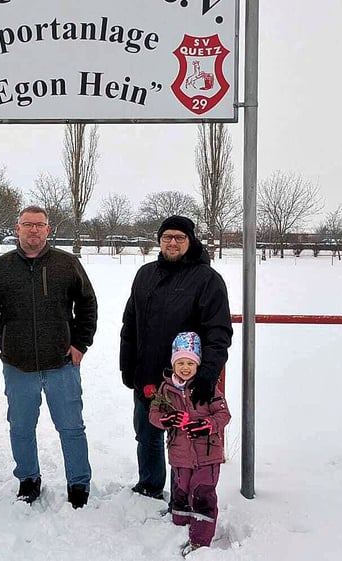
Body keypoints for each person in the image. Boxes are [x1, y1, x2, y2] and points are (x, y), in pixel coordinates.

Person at [0, 205, 98, 509]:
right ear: (17, 229)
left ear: (48, 230)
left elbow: (87, 304)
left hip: (62, 364)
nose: (33, 230)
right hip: (19, 364)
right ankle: (28, 479)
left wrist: (80, 343)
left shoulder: (67, 264)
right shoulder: (0, 268)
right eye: (27, 224)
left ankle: (78, 483)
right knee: (21, 427)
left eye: (39, 225)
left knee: (71, 427)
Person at [120, 214, 232, 500]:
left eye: (179, 237)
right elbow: (129, 323)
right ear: (159, 240)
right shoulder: (145, 275)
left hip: (185, 380)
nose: (172, 242)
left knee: (183, 438)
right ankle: (150, 484)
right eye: (167, 236)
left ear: (190, 241)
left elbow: (218, 333)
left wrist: (207, 376)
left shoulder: (207, 280)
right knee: (147, 434)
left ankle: (183, 493)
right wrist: (127, 364)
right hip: (147, 374)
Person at [148, 332, 231, 557]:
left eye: (190, 363)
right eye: (181, 362)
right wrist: (166, 420)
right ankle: (179, 524)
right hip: (179, 454)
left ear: (198, 364)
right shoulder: (166, 389)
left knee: (203, 493)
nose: (185, 368)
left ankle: (200, 541)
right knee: (181, 489)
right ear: (174, 363)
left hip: (207, 455)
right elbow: (154, 414)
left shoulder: (207, 387)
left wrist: (207, 425)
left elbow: (224, 415)